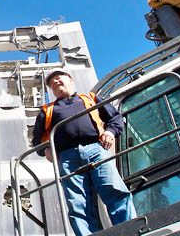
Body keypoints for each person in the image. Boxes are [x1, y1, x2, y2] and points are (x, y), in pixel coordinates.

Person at [32, 69, 136, 235]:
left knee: (114, 190)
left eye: (59, 79)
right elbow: (36, 140)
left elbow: (114, 118)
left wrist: (110, 132)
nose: (56, 83)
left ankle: (130, 230)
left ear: (70, 80)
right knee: (77, 204)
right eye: (52, 84)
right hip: (67, 158)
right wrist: (45, 149)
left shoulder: (90, 98)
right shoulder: (47, 110)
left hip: (96, 148)